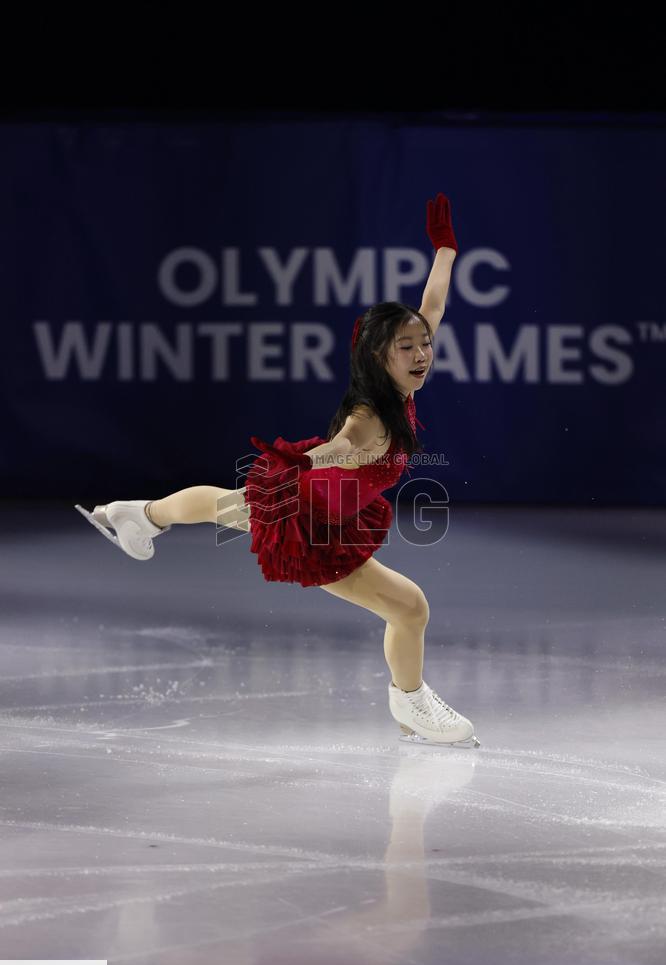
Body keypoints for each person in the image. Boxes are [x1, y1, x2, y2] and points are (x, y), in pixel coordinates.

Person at [75, 193, 480, 749]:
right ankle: (410, 704)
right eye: (406, 347)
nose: (422, 354)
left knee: (223, 504)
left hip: (315, 497)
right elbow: (341, 445)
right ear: (377, 356)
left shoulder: (399, 385)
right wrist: (308, 460)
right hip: (311, 522)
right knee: (410, 607)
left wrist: (446, 250)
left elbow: (431, 306)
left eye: (424, 345)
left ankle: (138, 515)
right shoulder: (369, 418)